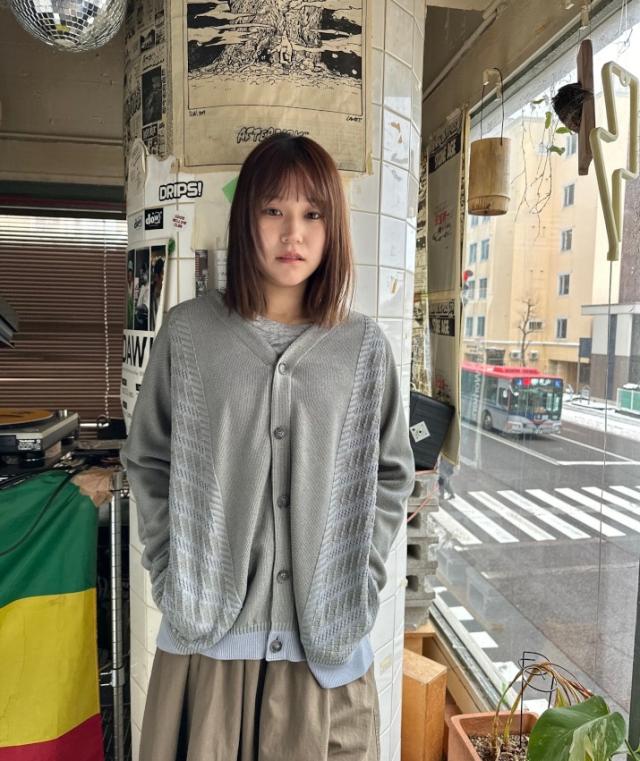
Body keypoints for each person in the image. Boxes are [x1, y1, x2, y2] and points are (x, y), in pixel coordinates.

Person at [120, 134, 415, 761]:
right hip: (207, 649)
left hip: (323, 651)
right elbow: (148, 459)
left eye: (313, 214)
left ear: (333, 228)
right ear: (245, 219)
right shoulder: (190, 334)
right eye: (273, 210)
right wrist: (171, 569)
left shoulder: (364, 349)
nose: (293, 233)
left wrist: (360, 574)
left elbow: (392, 474)